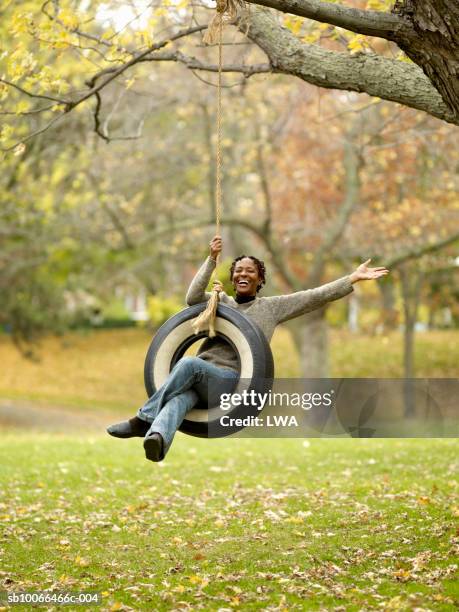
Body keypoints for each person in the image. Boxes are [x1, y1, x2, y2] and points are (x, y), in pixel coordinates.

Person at [107, 235, 389, 461]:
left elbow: (314, 297)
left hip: (230, 382)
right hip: (199, 380)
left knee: (188, 364)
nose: (243, 274)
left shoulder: (271, 308)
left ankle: (143, 419)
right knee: (181, 400)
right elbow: (192, 297)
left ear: (259, 279)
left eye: (250, 271)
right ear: (232, 277)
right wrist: (211, 259)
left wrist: (351, 278)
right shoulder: (220, 303)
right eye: (238, 270)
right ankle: (157, 440)